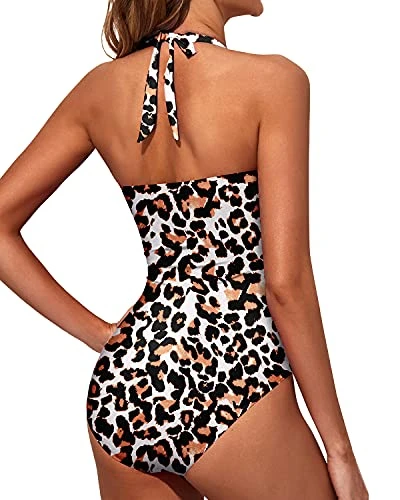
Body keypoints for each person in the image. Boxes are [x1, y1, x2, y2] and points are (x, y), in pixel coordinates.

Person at [0, 0, 369, 499]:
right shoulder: (275, 82)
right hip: (234, 375)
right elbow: (286, 285)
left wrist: (105, 338)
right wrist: (340, 451)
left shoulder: (98, 90)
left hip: (126, 390)